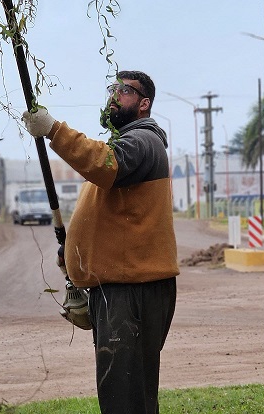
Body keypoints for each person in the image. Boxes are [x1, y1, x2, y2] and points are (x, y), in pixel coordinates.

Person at [22, 70, 178, 414]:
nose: (114, 96)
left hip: (132, 291)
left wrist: (54, 130)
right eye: (112, 89)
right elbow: (112, 214)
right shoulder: (128, 144)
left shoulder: (142, 141)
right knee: (125, 392)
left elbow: (104, 164)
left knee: (125, 395)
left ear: (144, 103)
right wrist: (75, 253)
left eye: (124, 90)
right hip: (123, 288)